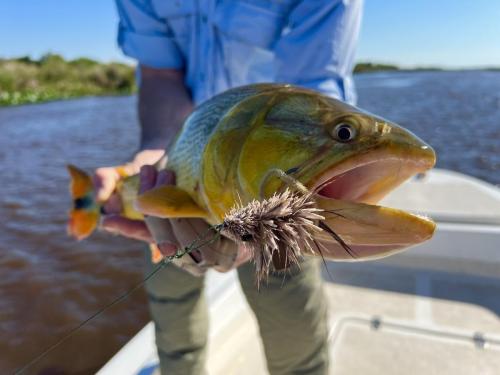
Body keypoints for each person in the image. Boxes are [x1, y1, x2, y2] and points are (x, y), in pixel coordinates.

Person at [95, 1, 363, 374]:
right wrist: (155, 155)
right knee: (173, 315)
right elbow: (160, 75)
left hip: (284, 194)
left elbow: (312, 95)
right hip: (175, 167)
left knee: (294, 334)